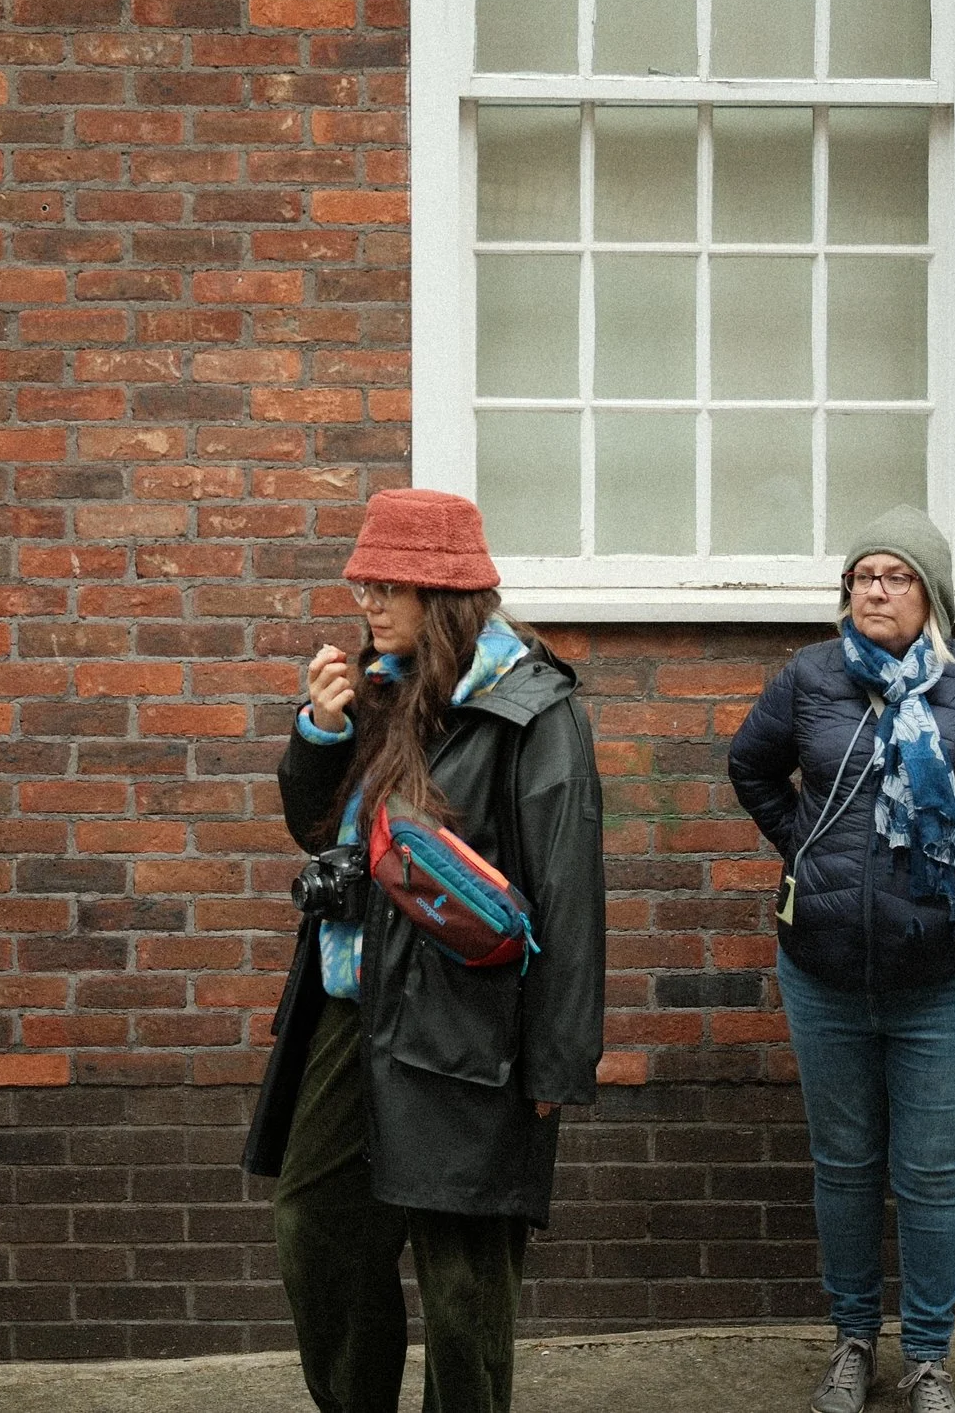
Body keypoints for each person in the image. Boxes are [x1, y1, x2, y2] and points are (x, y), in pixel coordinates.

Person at [244, 488, 605, 1413]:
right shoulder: (376, 687)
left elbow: (568, 890)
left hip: (469, 1024)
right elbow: (313, 828)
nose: (365, 602)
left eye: (386, 586)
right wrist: (321, 733)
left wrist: (556, 1058)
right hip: (352, 1003)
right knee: (317, 1227)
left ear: (442, 596)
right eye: (362, 583)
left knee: (462, 1282)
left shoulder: (532, 709)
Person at [727, 505, 955, 1413]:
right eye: (863, 575)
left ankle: (927, 1357)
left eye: (897, 575)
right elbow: (749, 766)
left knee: (932, 1173)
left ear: (934, 595)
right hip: (823, 972)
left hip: (940, 976)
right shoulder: (809, 677)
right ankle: (850, 1339)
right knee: (843, 1164)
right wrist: (804, 844)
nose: (875, 589)